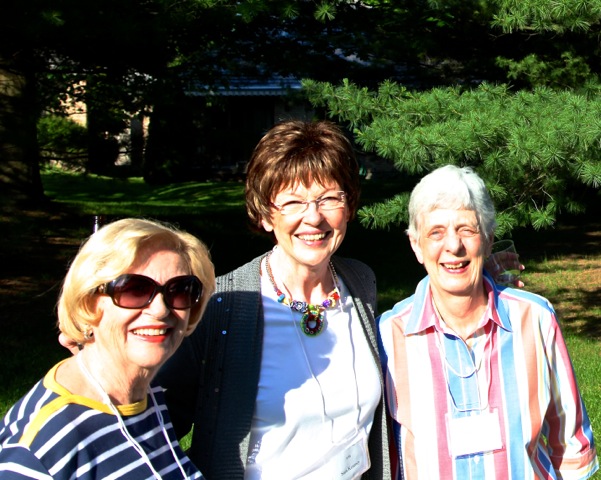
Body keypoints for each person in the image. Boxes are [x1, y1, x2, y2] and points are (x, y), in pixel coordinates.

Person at [156, 120, 391, 479]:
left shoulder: (361, 284)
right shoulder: (222, 305)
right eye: (293, 202)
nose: (313, 217)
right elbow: (158, 424)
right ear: (266, 214)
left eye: (329, 198)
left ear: (349, 205)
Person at [378, 165, 599, 479]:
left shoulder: (534, 319)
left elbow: (571, 446)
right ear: (416, 245)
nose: (453, 246)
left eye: (467, 230)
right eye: (436, 232)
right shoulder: (389, 335)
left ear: (488, 239)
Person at [0, 218, 216, 479]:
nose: (160, 309)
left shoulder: (146, 396)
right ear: (89, 302)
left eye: (180, 290)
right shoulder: (45, 446)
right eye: (134, 289)